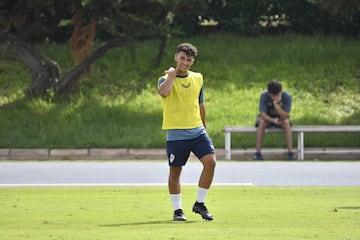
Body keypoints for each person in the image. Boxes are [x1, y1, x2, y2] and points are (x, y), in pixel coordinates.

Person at [158, 43, 216, 221]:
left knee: (211, 163)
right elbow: (164, 93)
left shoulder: (198, 78)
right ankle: (177, 210)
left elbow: (200, 104)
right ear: (176, 57)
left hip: (197, 131)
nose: (185, 62)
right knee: (175, 172)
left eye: (189, 60)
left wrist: (204, 128)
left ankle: (200, 203)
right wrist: (172, 75)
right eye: (182, 58)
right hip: (176, 134)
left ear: (192, 61)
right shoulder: (165, 79)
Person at [254, 80, 296, 160]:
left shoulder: (287, 96)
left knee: (286, 123)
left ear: (281, 92)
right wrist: (273, 120)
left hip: (281, 118)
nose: (275, 97)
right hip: (268, 118)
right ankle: (257, 153)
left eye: (277, 95)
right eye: (273, 96)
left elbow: (286, 116)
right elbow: (263, 114)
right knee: (262, 122)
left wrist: (276, 105)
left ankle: (290, 152)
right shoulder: (264, 96)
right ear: (269, 94)